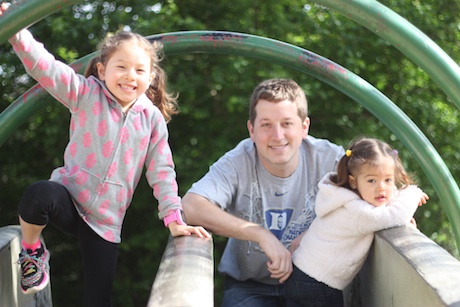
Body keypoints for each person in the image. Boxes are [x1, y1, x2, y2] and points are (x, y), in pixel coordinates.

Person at [1, 3, 210, 306]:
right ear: (102, 70)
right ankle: (32, 251)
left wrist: (174, 219)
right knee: (38, 194)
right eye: (121, 67)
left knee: (98, 299)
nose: (129, 76)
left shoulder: (150, 120)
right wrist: (17, 31)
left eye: (139, 70)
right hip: (68, 200)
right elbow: (44, 67)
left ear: (151, 77)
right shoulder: (85, 94)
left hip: (105, 223)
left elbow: (162, 171)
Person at [182, 78, 345, 306]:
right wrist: (260, 234)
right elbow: (190, 206)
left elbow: (374, 185)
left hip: (313, 281)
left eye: (287, 123)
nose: (277, 136)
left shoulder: (329, 158)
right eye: (266, 125)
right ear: (252, 129)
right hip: (250, 286)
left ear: (304, 127)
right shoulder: (238, 161)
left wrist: (314, 233)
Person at [284, 137, 429, 307]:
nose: (381, 187)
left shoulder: (342, 197)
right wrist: (413, 192)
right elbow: (394, 215)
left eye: (388, 180)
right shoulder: (356, 211)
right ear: (354, 182)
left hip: (303, 272)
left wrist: (395, 195)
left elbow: (385, 202)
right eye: (371, 180)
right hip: (317, 282)